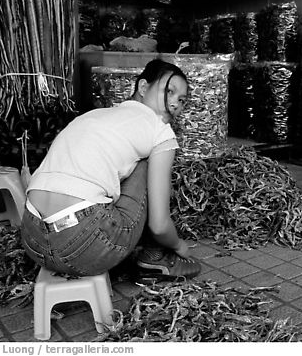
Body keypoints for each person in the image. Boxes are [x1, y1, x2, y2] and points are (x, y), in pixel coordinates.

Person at [20, 59, 202, 279]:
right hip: (84, 245)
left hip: (32, 240)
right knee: (147, 164)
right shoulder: (159, 131)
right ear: (143, 87)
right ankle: (156, 259)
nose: (174, 103)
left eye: (181, 100)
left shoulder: (91, 116)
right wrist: (180, 246)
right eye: (169, 91)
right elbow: (159, 225)